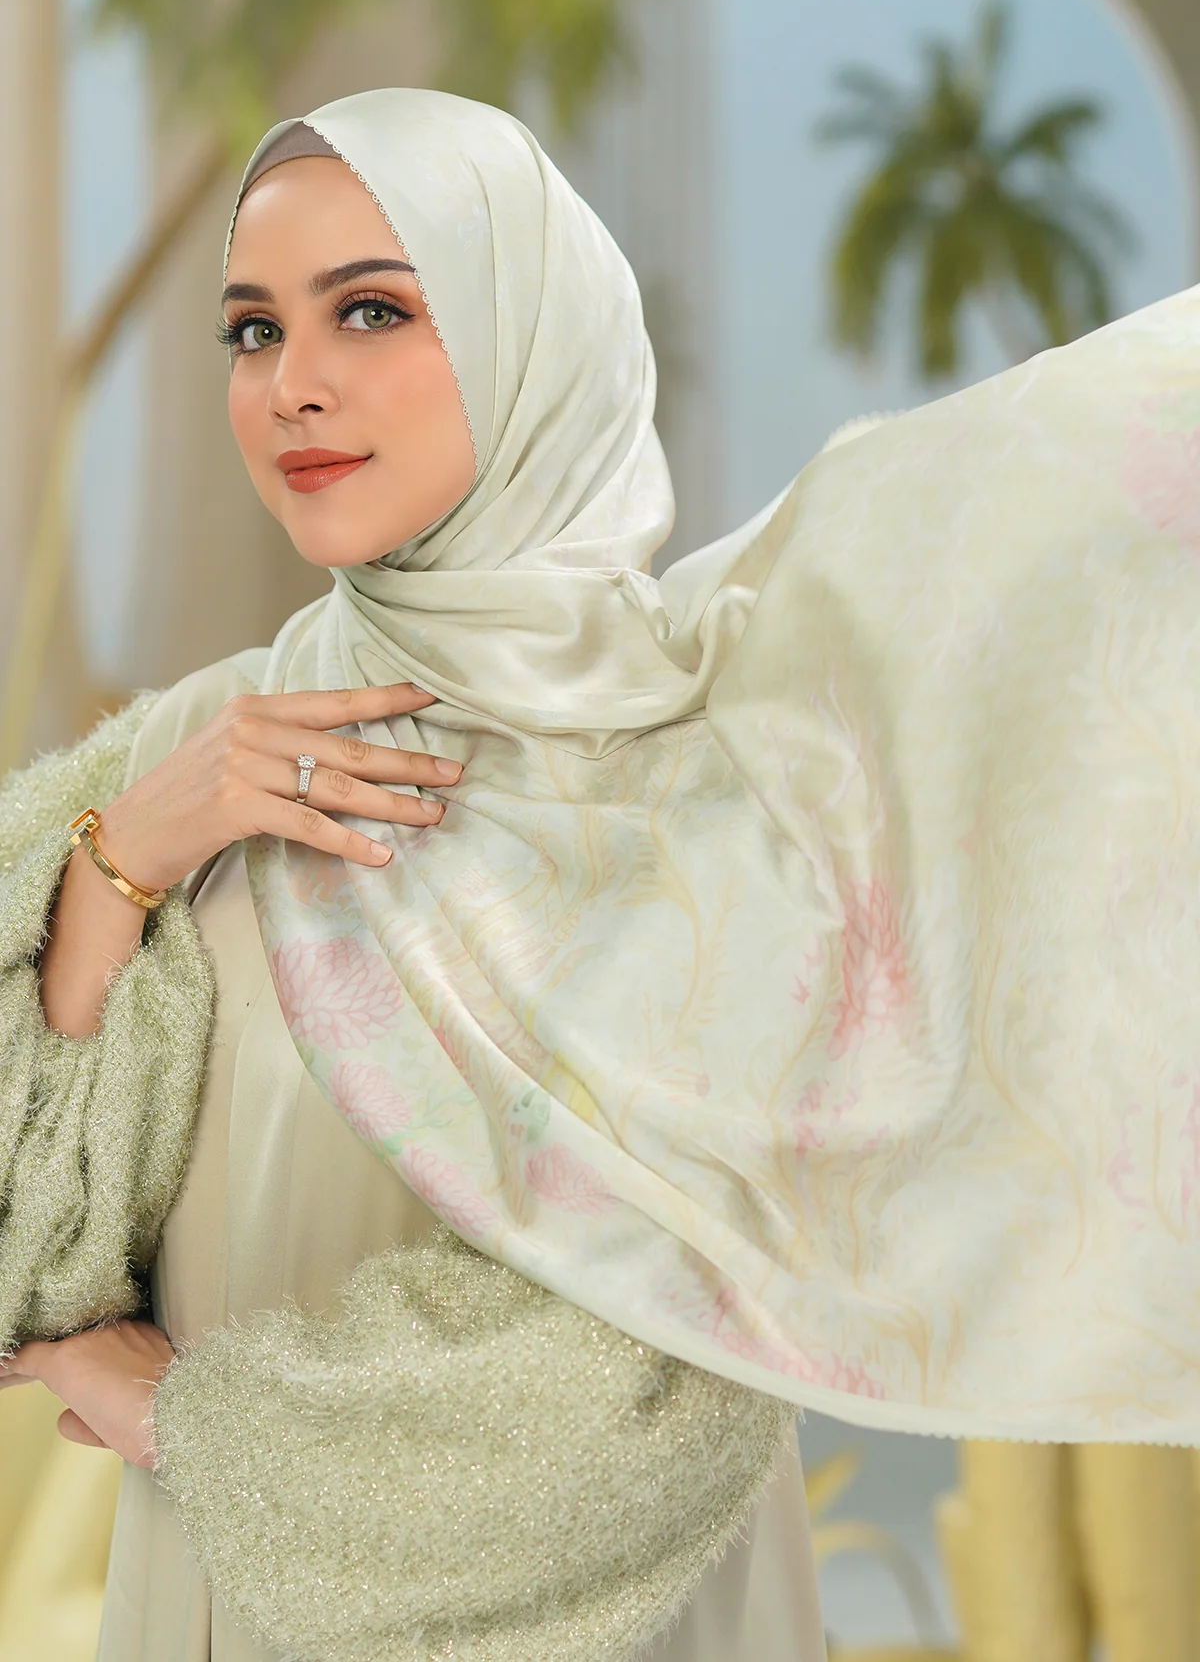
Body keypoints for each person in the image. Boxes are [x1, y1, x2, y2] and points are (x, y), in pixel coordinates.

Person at [1, 85, 1198, 1659]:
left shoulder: (710, 778)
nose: (295, 385)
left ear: (532, 336)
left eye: (373, 311)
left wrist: (195, 1424)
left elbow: (660, 1382)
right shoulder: (193, 757)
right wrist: (117, 867)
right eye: (253, 330)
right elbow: (30, 1258)